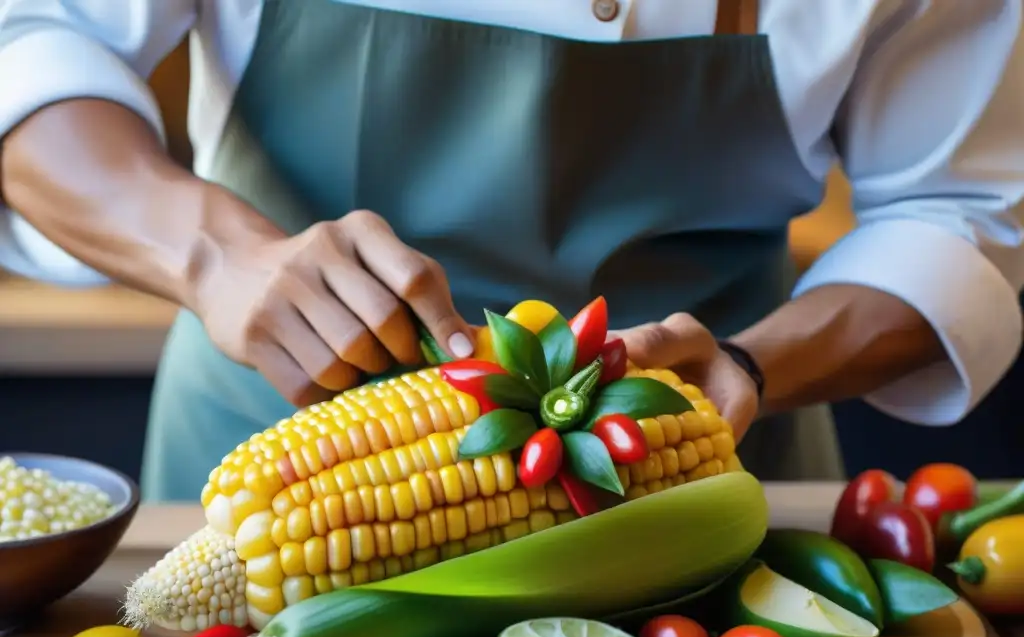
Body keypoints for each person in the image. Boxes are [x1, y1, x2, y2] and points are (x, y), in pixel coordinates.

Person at [0, 0, 1022, 503]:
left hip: (696, 479)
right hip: (272, 459)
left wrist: (754, 364)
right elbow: (35, 37)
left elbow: (959, 210)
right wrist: (214, 256)